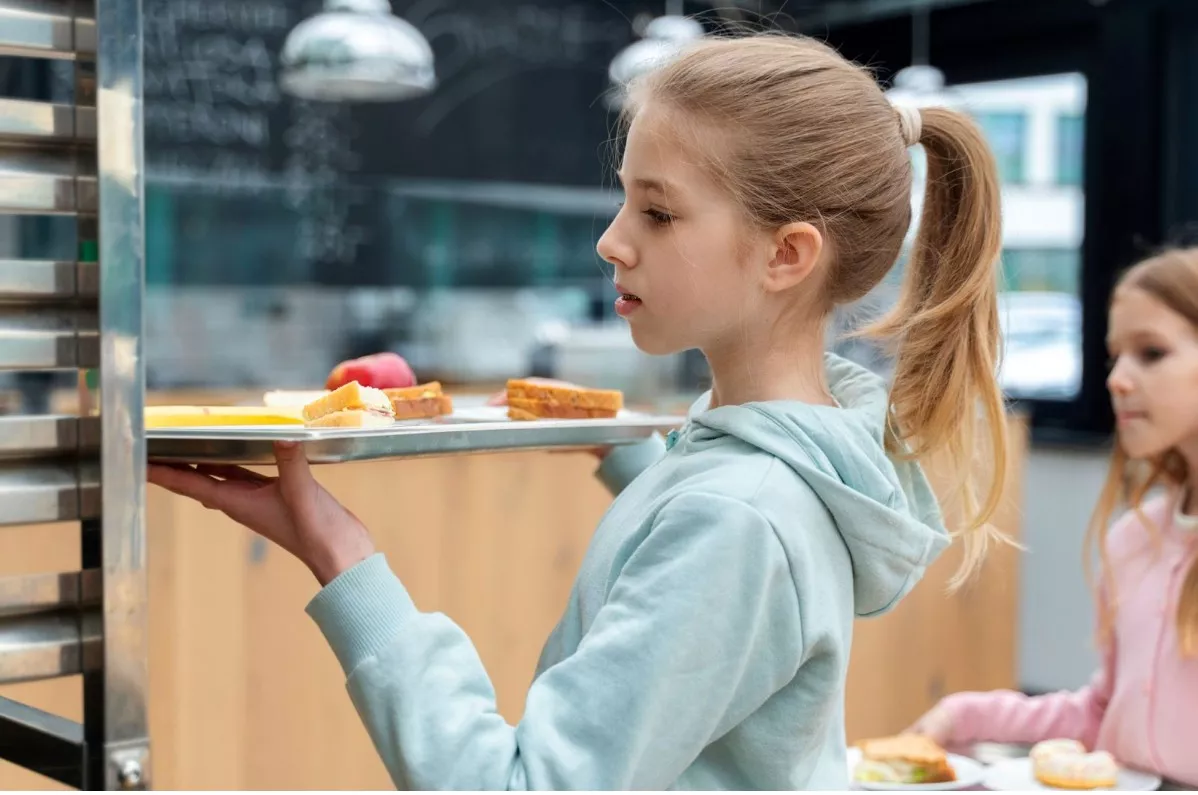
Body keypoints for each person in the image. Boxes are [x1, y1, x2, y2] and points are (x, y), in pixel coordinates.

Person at [149, 32, 1011, 789]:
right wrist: (624, 455)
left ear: (786, 254)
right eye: (625, 197)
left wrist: (343, 557)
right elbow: (720, 559)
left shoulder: (738, 522)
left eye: (658, 212)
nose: (611, 239)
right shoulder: (786, 469)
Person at [908, 247, 1198, 788]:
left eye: (1151, 353)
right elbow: (1102, 716)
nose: (1117, 379)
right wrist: (964, 715)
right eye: (1115, 358)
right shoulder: (1133, 541)